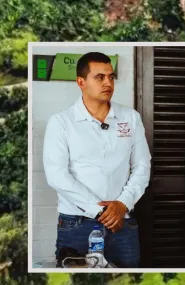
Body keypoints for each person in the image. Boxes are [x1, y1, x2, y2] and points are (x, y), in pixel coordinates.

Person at [43, 52, 151, 268]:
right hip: (77, 224)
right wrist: (100, 211)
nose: (108, 83)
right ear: (81, 82)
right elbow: (57, 176)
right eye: (99, 77)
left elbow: (142, 165)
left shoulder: (130, 117)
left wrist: (122, 204)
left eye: (111, 77)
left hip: (123, 222)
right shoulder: (61, 122)